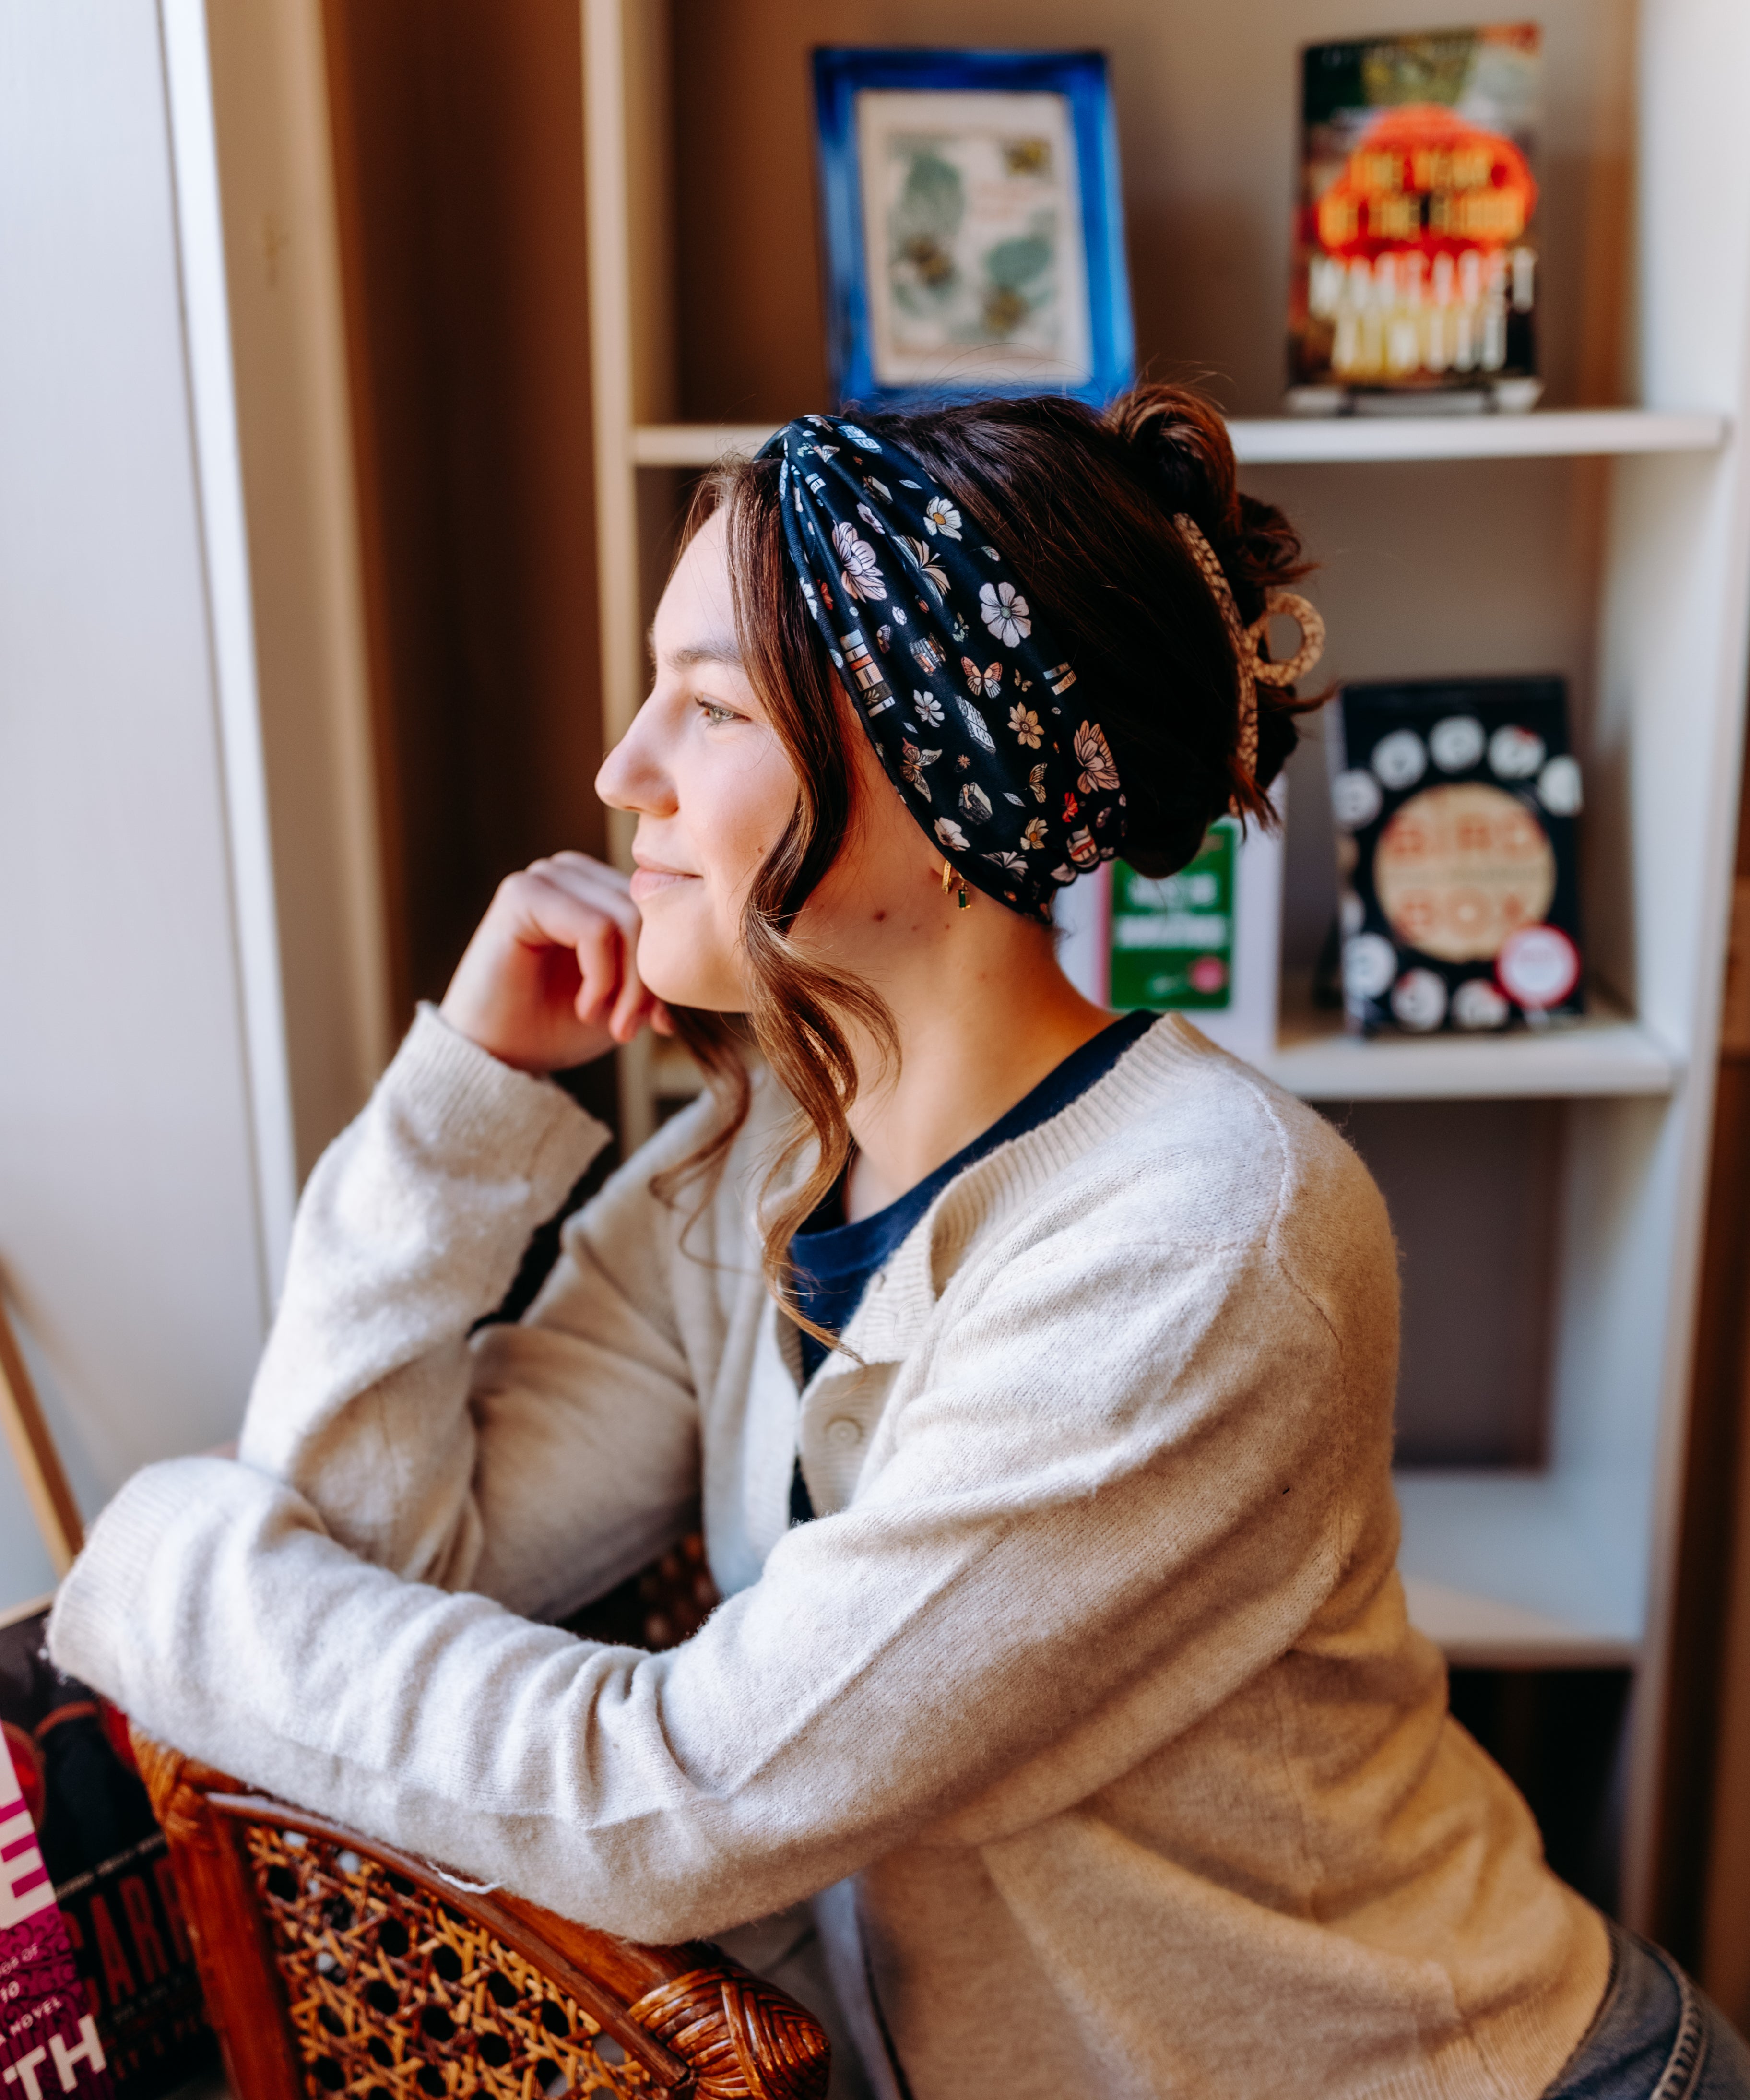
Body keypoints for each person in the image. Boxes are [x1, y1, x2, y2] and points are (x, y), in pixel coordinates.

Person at [48, 386, 1750, 2100]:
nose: (618, 767)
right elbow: (389, 1558)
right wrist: (465, 1098)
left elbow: (677, 1800)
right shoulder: (756, 1163)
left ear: (937, 770)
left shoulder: (1204, 1241)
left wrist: (166, 1567)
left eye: (705, 704)